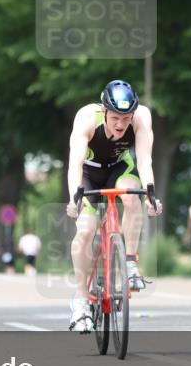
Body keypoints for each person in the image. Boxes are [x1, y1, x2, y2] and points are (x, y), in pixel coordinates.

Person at [65, 80, 163, 333]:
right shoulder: (87, 118)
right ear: (105, 110)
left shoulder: (142, 118)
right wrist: (73, 198)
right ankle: (81, 300)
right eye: (116, 118)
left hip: (120, 168)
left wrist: (151, 193)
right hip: (88, 172)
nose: (121, 124)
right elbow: (75, 163)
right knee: (85, 231)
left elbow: (144, 159)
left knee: (132, 197)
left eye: (126, 118)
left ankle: (129, 261)